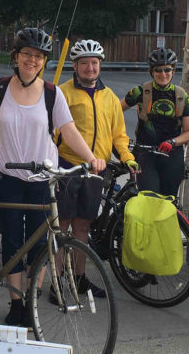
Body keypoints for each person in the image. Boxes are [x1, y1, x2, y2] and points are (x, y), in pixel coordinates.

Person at [0, 28, 105, 327]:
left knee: (40, 245)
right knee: (11, 241)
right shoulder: (0, 88)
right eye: (27, 54)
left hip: (42, 179)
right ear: (16, 57)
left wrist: (91, 158)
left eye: (38, 56)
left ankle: (31, 301)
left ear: (44, 61)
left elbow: (68, 130)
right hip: (6, 176)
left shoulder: (51, 93)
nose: (32, 60)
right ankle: (16, 303)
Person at [54, 39, 137, 300]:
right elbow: (54, 131)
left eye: (94, 63)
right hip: (67, 167)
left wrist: (127, 156)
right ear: (75, 66)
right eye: (84, 63)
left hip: (95, 171)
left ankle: (78, 278)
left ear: (100, 65)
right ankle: (56, 282)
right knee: (61, 226)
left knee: (82, 226)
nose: (90, 68)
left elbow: (119, 135)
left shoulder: (110, 97)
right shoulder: (63, 93)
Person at [121, 47, 189, 197]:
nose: (163, 74)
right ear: (152, 72)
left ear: (173, 71)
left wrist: (173, 142)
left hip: (172, 156)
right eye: (158, 70)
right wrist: (118, 136)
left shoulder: (182, 96)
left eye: (167, 70)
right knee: (149, 198)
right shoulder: (140, 91)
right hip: (146, 155)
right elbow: (114, 112)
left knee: (168, 202)